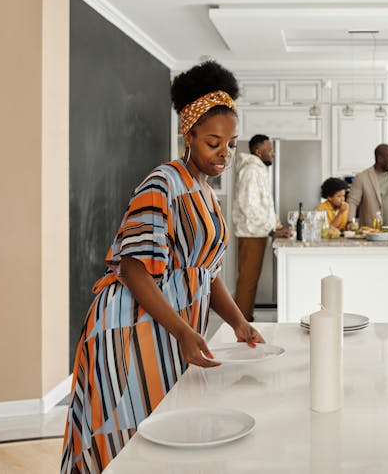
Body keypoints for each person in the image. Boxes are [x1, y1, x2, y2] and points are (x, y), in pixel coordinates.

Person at [61, 61, 265, 473]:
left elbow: (205, 275)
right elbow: (133, 268)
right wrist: (184, 330)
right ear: (187, 135)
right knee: (122, 436)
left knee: (159, 439)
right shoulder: (163, 182)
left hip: (169, 328)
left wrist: (239, 322)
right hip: (128, 329)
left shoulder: (206, 194)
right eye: (212, 142)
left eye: (231, 144)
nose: (224, 153)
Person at [232, 134, 290, 322]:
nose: (273, 153)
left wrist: (274, 226)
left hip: (256, 231)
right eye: (270, 149)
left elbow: (262, 204)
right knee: (248, 280)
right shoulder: (251, 170)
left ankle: (245, 318)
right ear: (258, 151)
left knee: (250, 279)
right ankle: (241, 321)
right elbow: (249, 206)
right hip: (251, 232)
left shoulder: (257, 170)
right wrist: (271, 229)